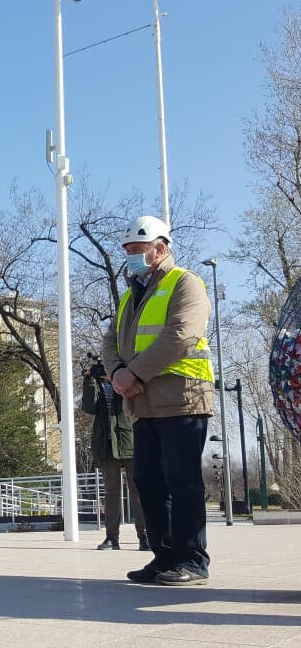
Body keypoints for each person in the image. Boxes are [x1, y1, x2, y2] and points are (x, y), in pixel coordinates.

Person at [103, 215, 215, 586]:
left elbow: (181, 335)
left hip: (183, 398)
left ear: (160, 249)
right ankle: (164, 556)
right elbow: (109, 341)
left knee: (181, 480)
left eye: (137, 250)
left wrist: (131, 373)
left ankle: (192, 559)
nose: (131, 257)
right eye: (128, 251)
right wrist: (118, 373)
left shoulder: (186, 283)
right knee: (148, 479)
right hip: (144, 404)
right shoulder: (131, 295)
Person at [82, 359, 148, 552]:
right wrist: (89, 380)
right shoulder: (99, 384)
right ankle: (112, 537)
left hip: (131, 440)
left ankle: (144, 536)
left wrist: (116, 378)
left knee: (138, 492)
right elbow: (89, 407)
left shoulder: (126, 378)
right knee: (111, 493)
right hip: (106, 443)